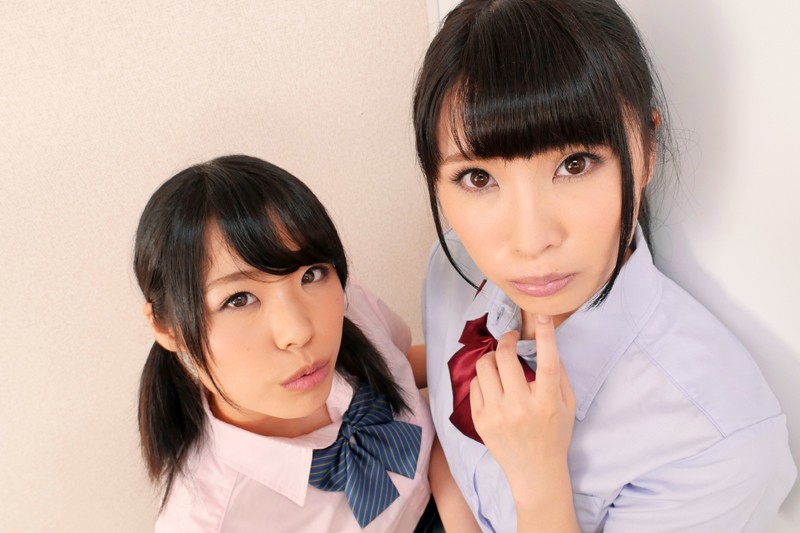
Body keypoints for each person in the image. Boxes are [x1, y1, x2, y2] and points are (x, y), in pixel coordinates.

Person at [412, 1, 797, 531]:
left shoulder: (717, 444)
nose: (530, 241)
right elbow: (449, 451)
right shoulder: (451, 268)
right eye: (478, 178)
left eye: (575, 164)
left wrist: (540, 486)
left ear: (648, 148)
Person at [133, 155, 435, 531]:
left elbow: (406, 363)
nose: (298, 332)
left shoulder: (349, 306)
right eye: (238, 299)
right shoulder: (208, 522)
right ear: (167, 328)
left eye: (310, 274)